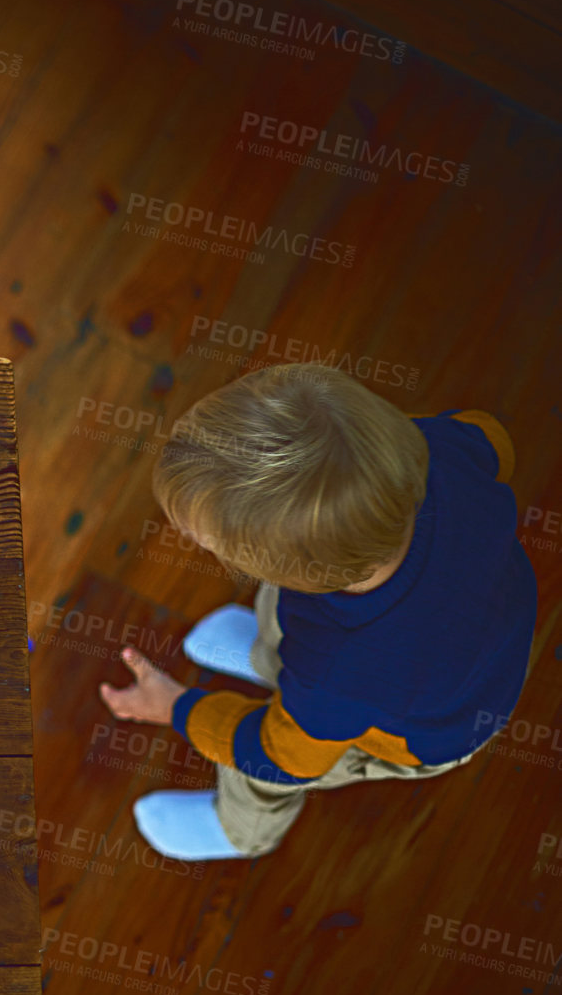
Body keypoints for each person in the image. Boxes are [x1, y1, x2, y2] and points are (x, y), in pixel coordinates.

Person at [98, 365, 536, 859]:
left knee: (261, 766)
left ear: (299, 569)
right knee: (285, 619)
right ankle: (271, 661)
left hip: (427, 729)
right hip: (484, 635)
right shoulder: (438, 451)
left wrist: (177, 707)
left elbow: (281, 757)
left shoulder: (339, 673)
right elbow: (493, 436)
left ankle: (241, 831)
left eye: (207, 543)